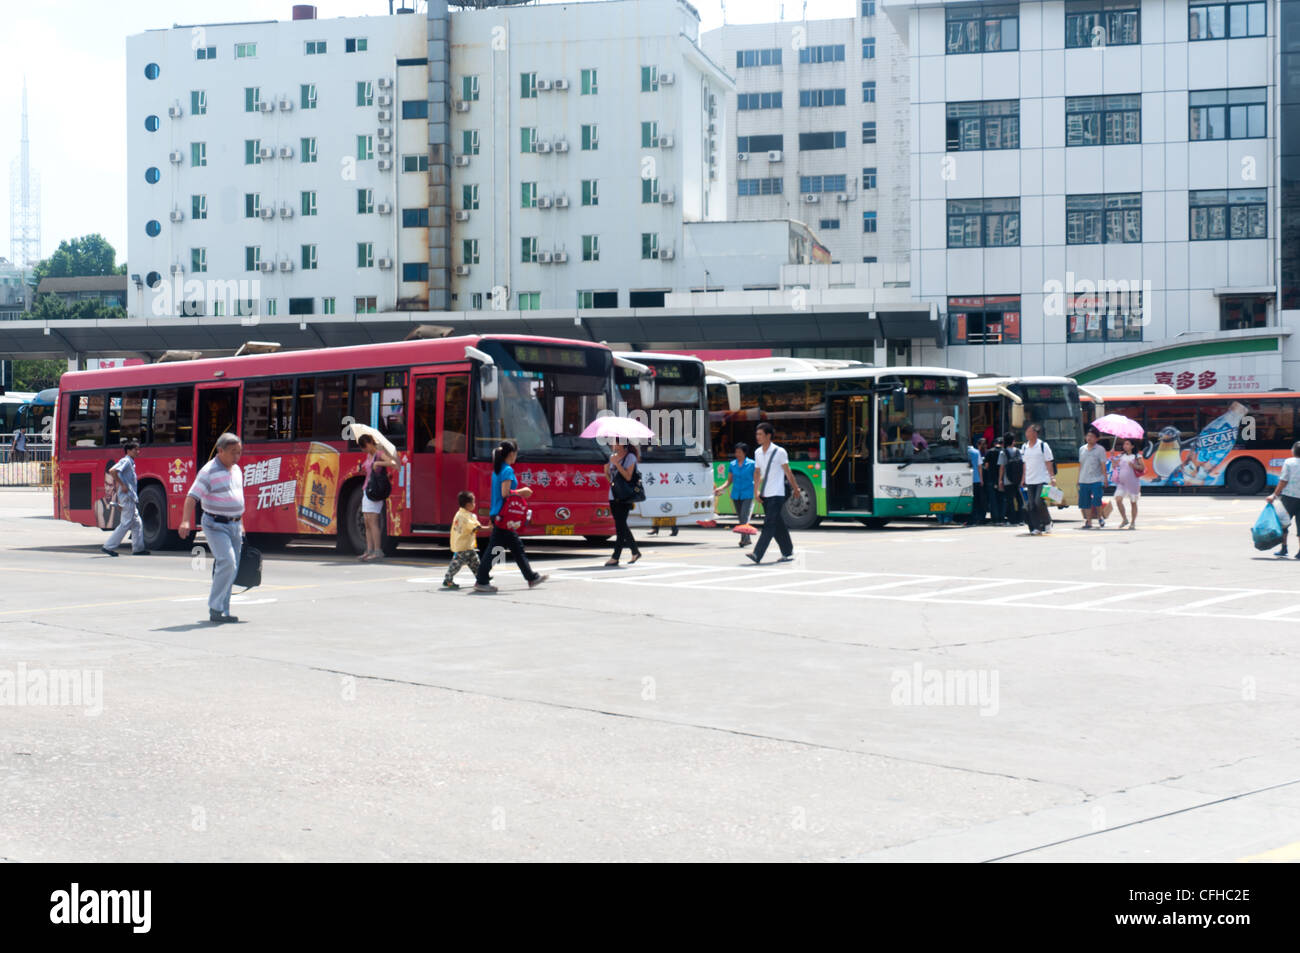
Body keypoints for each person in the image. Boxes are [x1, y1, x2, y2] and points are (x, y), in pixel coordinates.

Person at [179, 432, 245, 624]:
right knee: (227, 562)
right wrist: (185, 521)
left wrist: (242, 523)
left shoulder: (237, 470)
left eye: (239, 452)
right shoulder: (208, 472)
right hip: (215, 524)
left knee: (232, 568)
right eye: (233, 452)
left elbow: (237, 498)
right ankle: (215, 608)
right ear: (220, 451)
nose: (237, 457)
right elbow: (192, 497)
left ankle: (223, 609)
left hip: (235, 524)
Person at [474, 440, 547, 593]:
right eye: (516, 453)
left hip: (499, 514)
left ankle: (531, 577)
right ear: (512, 454)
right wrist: (523, 491)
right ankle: (481, 580)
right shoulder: (507, 470)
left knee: (513, 547)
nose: (516, 456)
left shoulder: (498, 469)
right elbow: (505, 493)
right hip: (504, 515)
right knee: (496, 548)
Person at [747, 422, 804, 564]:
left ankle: (757, 554)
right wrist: (756, 491)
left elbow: (788, 472)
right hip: (765, 494)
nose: (757, 437)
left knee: (769, 524)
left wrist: (796, 489)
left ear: (768, 435)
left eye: (760, 434)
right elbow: (757, 472)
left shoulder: (779, 452)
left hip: (777, 494)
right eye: (757, 434)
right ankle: (787, 551)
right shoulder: (757, 452)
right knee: (777, 523)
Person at [358, 433, 399, 562]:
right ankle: (369, 550)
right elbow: (367, 469)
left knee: (373, 522)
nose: (363, 450)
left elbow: (393, 463)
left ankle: (377, 550)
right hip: (367, 490)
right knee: (366, 522)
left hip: (375, 492)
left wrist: (379, 463)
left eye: (364, 447)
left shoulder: (379, 454)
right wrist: (362, 468)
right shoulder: (369, 455)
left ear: (370, 443)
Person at [101, 441, 148, 556]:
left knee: (137, 523)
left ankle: (138, 549)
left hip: (130, 497)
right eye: (135, 450)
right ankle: (108, 546)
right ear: (128, 451)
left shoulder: (131, 463)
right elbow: (112, 471)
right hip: (127, 498)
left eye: (138, 449)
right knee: (125, 524)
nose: (138, 452)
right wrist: (122, 485)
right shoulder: (126, 461)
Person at [605, 440, 642, 567]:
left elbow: (628, 477)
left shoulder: (630, 457)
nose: (613, 445)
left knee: (620, 526)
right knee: (620, 525)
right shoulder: (612, 457)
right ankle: (635, 551)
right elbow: (612, 481)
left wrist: (617, 464)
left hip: (625, 495)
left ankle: (615, 557)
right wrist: (606, 472)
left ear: (622, 444)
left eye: (615, 442)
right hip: (613, 495)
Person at [714, 442, 757, 547]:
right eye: (736, 452)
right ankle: (746, 539)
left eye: (739, 452)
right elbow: (729, 481)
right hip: (736, 494)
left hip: (748, 494)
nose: (737, 454)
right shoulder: (732, 464)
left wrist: (756, 490)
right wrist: (720, 488)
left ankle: (744, 539)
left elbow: (758, 478)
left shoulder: (752, 464)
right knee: (741, 518)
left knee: (744, 517)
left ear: (744, 453)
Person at [1020, 424, 1056, 536]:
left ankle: (1047, 522)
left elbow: (1049, 462)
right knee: (1031, 505)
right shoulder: (1024, 447)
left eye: (1029, 431)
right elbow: (1025, 464)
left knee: (1038, 502)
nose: (1026, 434)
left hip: (1042, 478)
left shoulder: (1043, 446)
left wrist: (1052, 477)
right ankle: (1037, 527)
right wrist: (1023, 478)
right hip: (1030, 480)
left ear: (1035, 433)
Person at [1266, 440, 1300, 558]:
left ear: (1293, 451)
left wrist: (1274, 495)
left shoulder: (1289, 462)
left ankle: (1284, 548)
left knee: (1283, 523)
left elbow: (1283, 481)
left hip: (1289, 498)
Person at [443, 490, 483, 588]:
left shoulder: (462, 513)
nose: (474, 504)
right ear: (468, 504)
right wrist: (489, 528)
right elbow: (475, 527)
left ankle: (482, 577)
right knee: (456, 564)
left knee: (475, 561)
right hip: (463, 545)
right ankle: (448, 580)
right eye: (473, 502)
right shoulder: (464, 516)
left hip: (466, 544)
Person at [1077, 427, 1110, 530]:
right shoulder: (1082, 449)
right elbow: (1081, 464)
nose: (1089, 438)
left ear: (1097, 438)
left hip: (1096, 479)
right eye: (1088, 436)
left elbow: (1103, 465)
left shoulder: (1100, 449)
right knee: (1085, 502)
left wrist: (1105, 478)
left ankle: (1100, 517)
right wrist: (1078, 479)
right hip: (1084, 479)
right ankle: (1089, 521)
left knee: (1097, 499)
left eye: (1092, 436)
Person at [1112, 437, 1143, 530]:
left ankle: (1133, 522)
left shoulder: (1137, 456)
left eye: (1127, 444)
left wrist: (1134, 465)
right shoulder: (1121, 456)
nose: (1125, 446)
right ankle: (1125, 519)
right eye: (1124, 444)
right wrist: (1113, 456)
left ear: (1132, 446)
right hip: (1122, 483)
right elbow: (1114, 465)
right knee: (1118, 499)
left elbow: (1142, 467)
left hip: (1133, 483)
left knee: (1133, 502)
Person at [1000, 432, 1024, 526]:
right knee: (1020, 500)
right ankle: (1021, 519)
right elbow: (1023, 465)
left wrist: (1000, 480)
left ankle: (1012, 520)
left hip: (1008, 480)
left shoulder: (1003, 452)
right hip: (1018, 480)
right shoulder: (1019, 451)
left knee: (1010, 501)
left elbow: (1002, 467)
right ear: (1013, 441)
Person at [984, 437, 1006, 525]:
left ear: (994, 443)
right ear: (1002, 444)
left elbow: (986, 466)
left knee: (993, 500)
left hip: (991, 479)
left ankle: (995, 519)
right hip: (1002, 479)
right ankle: (1002, 518)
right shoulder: (1004, 452)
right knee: (1002, 499)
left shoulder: (989, 452)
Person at [965, 437, 987, 527]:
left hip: (966, 480)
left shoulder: (963, 452)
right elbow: (979, 467)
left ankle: (969, 519)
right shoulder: (976, 452)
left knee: (969, 500)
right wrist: (981, 479)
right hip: (976, 479)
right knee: (977, 500)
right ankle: (977, 518)